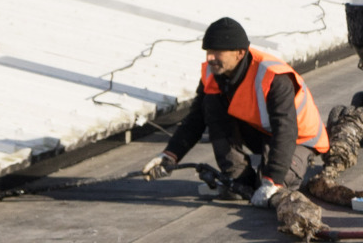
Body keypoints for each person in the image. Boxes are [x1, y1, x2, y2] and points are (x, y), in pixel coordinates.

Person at [136, 18, 330, 204]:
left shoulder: (273, 77)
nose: (210, 58)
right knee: (210, 105)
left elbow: (286, 131)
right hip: (262, 132)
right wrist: (170, 155)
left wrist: (273, 181)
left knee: (271, 189)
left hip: (299, 139)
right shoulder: (213, 74)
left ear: (239, 53)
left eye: (217, 52)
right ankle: (238, 177)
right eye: (208, 51)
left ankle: (275, 176)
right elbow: (195, 120)